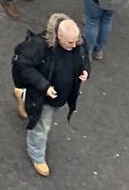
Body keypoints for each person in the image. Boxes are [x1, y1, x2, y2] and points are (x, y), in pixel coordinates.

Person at [12, 13, 89, 176]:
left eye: (76, 41)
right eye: (70, 42)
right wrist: (44, 86)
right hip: (45, 97)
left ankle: (23, 97)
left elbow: (84, 57)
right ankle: (36, 154)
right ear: (58, 36)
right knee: (41, 127)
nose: (75, 45)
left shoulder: (77, 40)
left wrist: (85, 71)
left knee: (38, 114)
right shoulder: (39, 46)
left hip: (60, 95)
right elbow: (24, 66)